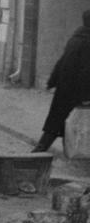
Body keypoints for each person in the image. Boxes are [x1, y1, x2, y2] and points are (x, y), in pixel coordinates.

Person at [32, 10, 90, 152]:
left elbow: (62, 61)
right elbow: (86, 71)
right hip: (77, 91)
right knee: (71, 122)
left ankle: (39, 150)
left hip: (64, 89)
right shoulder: (88, 41)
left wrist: (52, 81)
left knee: (55, 123)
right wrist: (85, 97)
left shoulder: (76, 38)